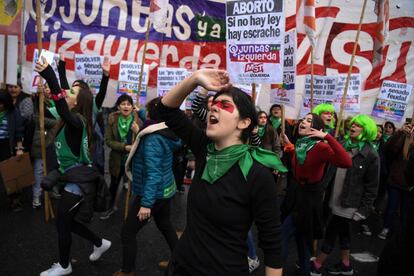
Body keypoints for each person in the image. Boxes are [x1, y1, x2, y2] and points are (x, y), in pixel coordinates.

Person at [157, 69, 286, 276]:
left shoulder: (257, 174)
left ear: (244, 123)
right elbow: (165, 110)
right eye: (214, 105)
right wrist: (195, 78)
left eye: (224, 105)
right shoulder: (204, 148)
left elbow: (272, 244)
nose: (214, 109)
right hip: (181, 266)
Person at [36, 58, 111, 276]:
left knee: (62, 223)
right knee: (67, 222)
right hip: (72, 176)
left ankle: (64, 266)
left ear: (77, 103)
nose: (66, 92)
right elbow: (58, 105)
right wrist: (50, 86)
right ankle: (99, 242)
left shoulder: (76, 121)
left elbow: (62, 105)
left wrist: (51, 73)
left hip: (77, 183)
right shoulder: (70, 118)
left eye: (71, 93)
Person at [113, 97, 181, 276]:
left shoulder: (152, 139)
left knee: (127, 233)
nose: (145, 113)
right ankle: (179, 262)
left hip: (154, 193)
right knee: (165, 225)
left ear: (152, 115)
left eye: (147, 111)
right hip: (166, 189)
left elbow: (153, 173)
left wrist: (146, 204)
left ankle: (127, 272)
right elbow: (150, 118)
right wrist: (140, 111)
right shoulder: (167, 128)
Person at [280, 113, 352, 275]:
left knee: (280, 238)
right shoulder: (301, 143)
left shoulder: (322, 146)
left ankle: (274, 269)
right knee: (302, 240)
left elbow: (346, 162)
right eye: (303, 119)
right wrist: (289, 145)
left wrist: (327, 136)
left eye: (309, 120)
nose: (303, 122)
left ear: (317, 129)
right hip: (295, 194)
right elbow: (301, 160)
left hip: (308, 199)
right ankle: (306, 270)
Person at [310, 114, 380, 276]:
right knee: (343, 233)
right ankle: (346, 264)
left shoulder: (371, 155)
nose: (353, 127)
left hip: (349, 204)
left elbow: (372, 187)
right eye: (353, 124)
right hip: (334, 198)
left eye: (358, 125)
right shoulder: (341, 144)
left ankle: (318, 264)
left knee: (332, 232)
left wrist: (363, 210)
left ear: (367, 130)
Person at [57, 55, 110, 174]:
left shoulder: (93, 106)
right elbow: (64, 88)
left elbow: (101, 93)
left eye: (75, 90)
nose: (69, 93)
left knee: (94, 172)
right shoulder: (70, 106)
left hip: (90, 148)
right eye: (72, 89)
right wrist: (61, 66)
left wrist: (105, 76)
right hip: (71, 152)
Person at [100, 94, 141, 220]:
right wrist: (124, 147)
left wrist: (138, 131)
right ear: (118, 106)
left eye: (128, 104)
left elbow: (144, 141)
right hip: (117, 161)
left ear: (132, 107)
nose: (126, 106)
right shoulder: (112, 119)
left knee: (134, 187)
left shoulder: (137, 120)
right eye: (123, 104)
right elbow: (108, 141)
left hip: (133, 161)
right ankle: (110, 208)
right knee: (113, 185)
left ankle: (133, 210)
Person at [378, 120, 413, 240]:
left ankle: (401, 234)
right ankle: (386, 227)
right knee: (392, 207)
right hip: (396, 181)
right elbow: (388, 148)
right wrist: (400, 133)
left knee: (405, 211)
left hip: (410, 184)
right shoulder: (403, 137)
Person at [30, 85, 58, 208]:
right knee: (39, 170)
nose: (47, 89)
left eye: (49, 87)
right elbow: (37, 118)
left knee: (53, 168)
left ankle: (51, 190)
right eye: (45, 87)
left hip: (55, 141)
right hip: (41, 140)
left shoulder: (57, 102)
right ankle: (36, 195)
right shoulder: (38, 101)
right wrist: (56, 123)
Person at [0, 90, 25, 211]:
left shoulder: (13, 112)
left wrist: (19, 148)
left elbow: (19, 131)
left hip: (6, 145)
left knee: (11, 174)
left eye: (1, 103)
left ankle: (15, 200)